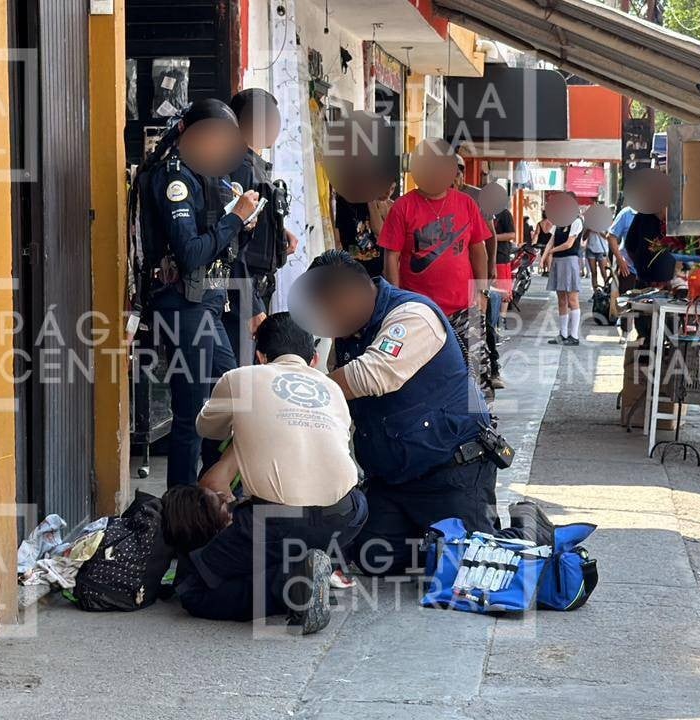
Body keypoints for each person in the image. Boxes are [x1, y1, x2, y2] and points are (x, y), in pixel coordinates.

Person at [298, 250, 501, 576]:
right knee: (371, 559)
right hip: (393, 481)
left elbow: (372, 374)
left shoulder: (412, 315)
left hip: (451, 472)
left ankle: (527, 532)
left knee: (474, 570)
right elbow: (340, 404)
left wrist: (294, 396)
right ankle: (433, 545)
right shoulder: (349, 331)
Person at [174, 313, 368, 634]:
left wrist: (246, 422)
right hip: (347, 514)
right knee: (294, 532)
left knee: (193, 587)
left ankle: (293, 584)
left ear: (260, 356)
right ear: (314, 358)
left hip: (276, 520)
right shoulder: (332, 389)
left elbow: (206, 428)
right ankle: (314, 565)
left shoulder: (240, 379)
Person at [141, 99, 260, 488]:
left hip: (207, 303)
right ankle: (180, 510)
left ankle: (216, 493)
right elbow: (191, 254)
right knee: (192, 414)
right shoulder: (174, 178)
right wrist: (234, 218)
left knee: (229, 400)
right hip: (183, 305)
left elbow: (220, 250)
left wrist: (243, 226)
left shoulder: (210, 177)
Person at [379, 140, 494, 406]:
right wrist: (398, 302)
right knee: (421, 375)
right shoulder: (403, 207)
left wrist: (482, 291)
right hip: (421, 312)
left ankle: (481, 431)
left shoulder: (466, 204)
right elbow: (391, 258)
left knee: (476, 374)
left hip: (466, 309)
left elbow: (479, 251)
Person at [225, 89, 299, 364]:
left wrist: (279, 232)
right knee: (241, 376)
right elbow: (233, 242)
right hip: (241, 292)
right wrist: (250, 306)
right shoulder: (240, 167)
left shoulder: (253, 165)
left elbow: (254, 222)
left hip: (254, 288)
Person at [333, 183, 394, 279]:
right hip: (353, 270)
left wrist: (372, 201)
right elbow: (338, 236)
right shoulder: (344, 200)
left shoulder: (386, 205)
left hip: (377, 271)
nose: (388, 193)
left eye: (392, 189)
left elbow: (380, 231)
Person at [540, 216, 585, 345]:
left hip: (570, 261)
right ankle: (563, 334)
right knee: (561, 300)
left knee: (572, 299)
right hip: (558, 262)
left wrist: (551, 252)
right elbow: (551, 241)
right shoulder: (559, 222)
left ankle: (574, 336)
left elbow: (569, 244)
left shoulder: (576, 221)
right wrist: (543, 257)